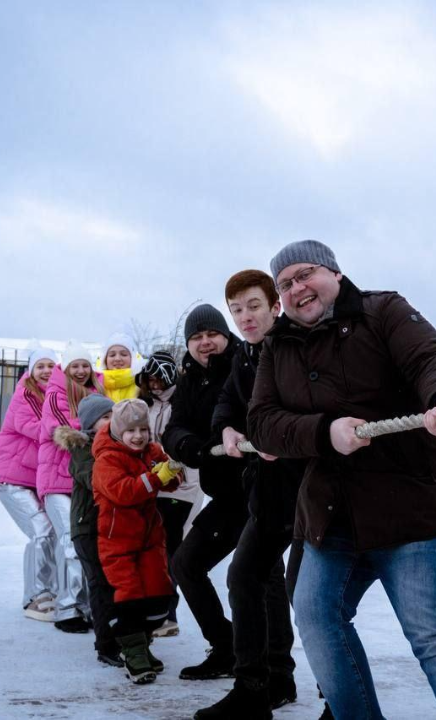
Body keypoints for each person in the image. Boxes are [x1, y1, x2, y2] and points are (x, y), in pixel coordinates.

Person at [247, 240, 436, 720]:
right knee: (318, 618)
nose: (298, 288)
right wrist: (324, 432)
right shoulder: (277, 346)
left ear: (336, 275)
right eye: (286, 283)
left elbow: (434, 359)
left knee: (433, 634)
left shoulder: (383, 310)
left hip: (410, 505)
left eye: (306, 274)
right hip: (330, 512)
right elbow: (262, 422)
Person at [194, 270, 302, 719]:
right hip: (268, 493)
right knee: (245, 577)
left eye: (253, 306)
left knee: (313, 598)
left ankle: (337, 699)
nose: (245, 317)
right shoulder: (243, 357)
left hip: (315, 493)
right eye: (236, 310)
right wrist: (226, 427)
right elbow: (227, 402)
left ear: (275, 305)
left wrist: (270, 432)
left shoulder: (296, 345)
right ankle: (254, 687)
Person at [162, 304, 247, 680]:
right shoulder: (190, 379)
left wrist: (220, 437)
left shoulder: (245, 364)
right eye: (196, 337)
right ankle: (226, 647)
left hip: (259, 490)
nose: (205, 342)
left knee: (260, 579)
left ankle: (277, 672)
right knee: (185, 563)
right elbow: (173, 429)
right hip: (226, 496)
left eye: (211, 334)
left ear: (226, 336)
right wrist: (191, 447)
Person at [92, 398, 179, 684]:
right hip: (117, 540)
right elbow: (123, 492)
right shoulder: (107, 458)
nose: (138, 435)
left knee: (159, 595)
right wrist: (155, 479)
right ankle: (134, 653)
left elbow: (172, 478)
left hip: (150, 538)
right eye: (130, 430)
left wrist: (172, 473)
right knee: (128, 596)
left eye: (143, 429)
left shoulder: (152, 451)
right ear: (118, 431)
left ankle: (144, 645)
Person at [37, 340, 104, 632]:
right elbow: (61, 429)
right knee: (69, 541)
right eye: (74, 365)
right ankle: (67, 609)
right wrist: (97, 429)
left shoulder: (99, 392)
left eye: (84, 365)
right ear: (65, 369)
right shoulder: (55, 394)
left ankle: (88, 606)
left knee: (87, 543)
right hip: (56, 478)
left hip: (83, 479)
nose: (79, 370)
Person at [0, 347, 59, 622]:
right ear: (31, 371)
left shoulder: (53, 398)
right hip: (11, 478)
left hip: (31, 480)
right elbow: (36, 429)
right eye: (40, 366)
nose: (45, 371)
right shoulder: (25, 395)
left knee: (51, 529)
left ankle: (49, 592)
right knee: (41, 529)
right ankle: (35, 597)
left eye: (51, 366)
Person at [137, 351, 204, 638]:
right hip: (155, 485)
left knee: (170, 549)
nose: (153, 385)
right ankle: (158, 612)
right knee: (157, 549)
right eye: (148, 380)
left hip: (183, 485)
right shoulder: (147, 405)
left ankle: (168, 615)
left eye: (157, 379)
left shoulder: (184, 400)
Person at [53, 394, 122, 667]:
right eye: (105, 417)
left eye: (113, 416)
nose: (111, 421)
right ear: (91, 424)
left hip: (110, 527)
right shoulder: (83, 448)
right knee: (99, 584)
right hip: (86, 528)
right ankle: (106, 645)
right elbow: (96, 480)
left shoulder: (117, 445)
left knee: (115, 583)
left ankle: (122, 638)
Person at [101, 332, 139, 402]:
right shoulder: (96, 385)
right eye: (112, 355)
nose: (117, 359)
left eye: (124, 354)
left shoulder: (142, 383)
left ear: (132, 358)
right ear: (105, 359)